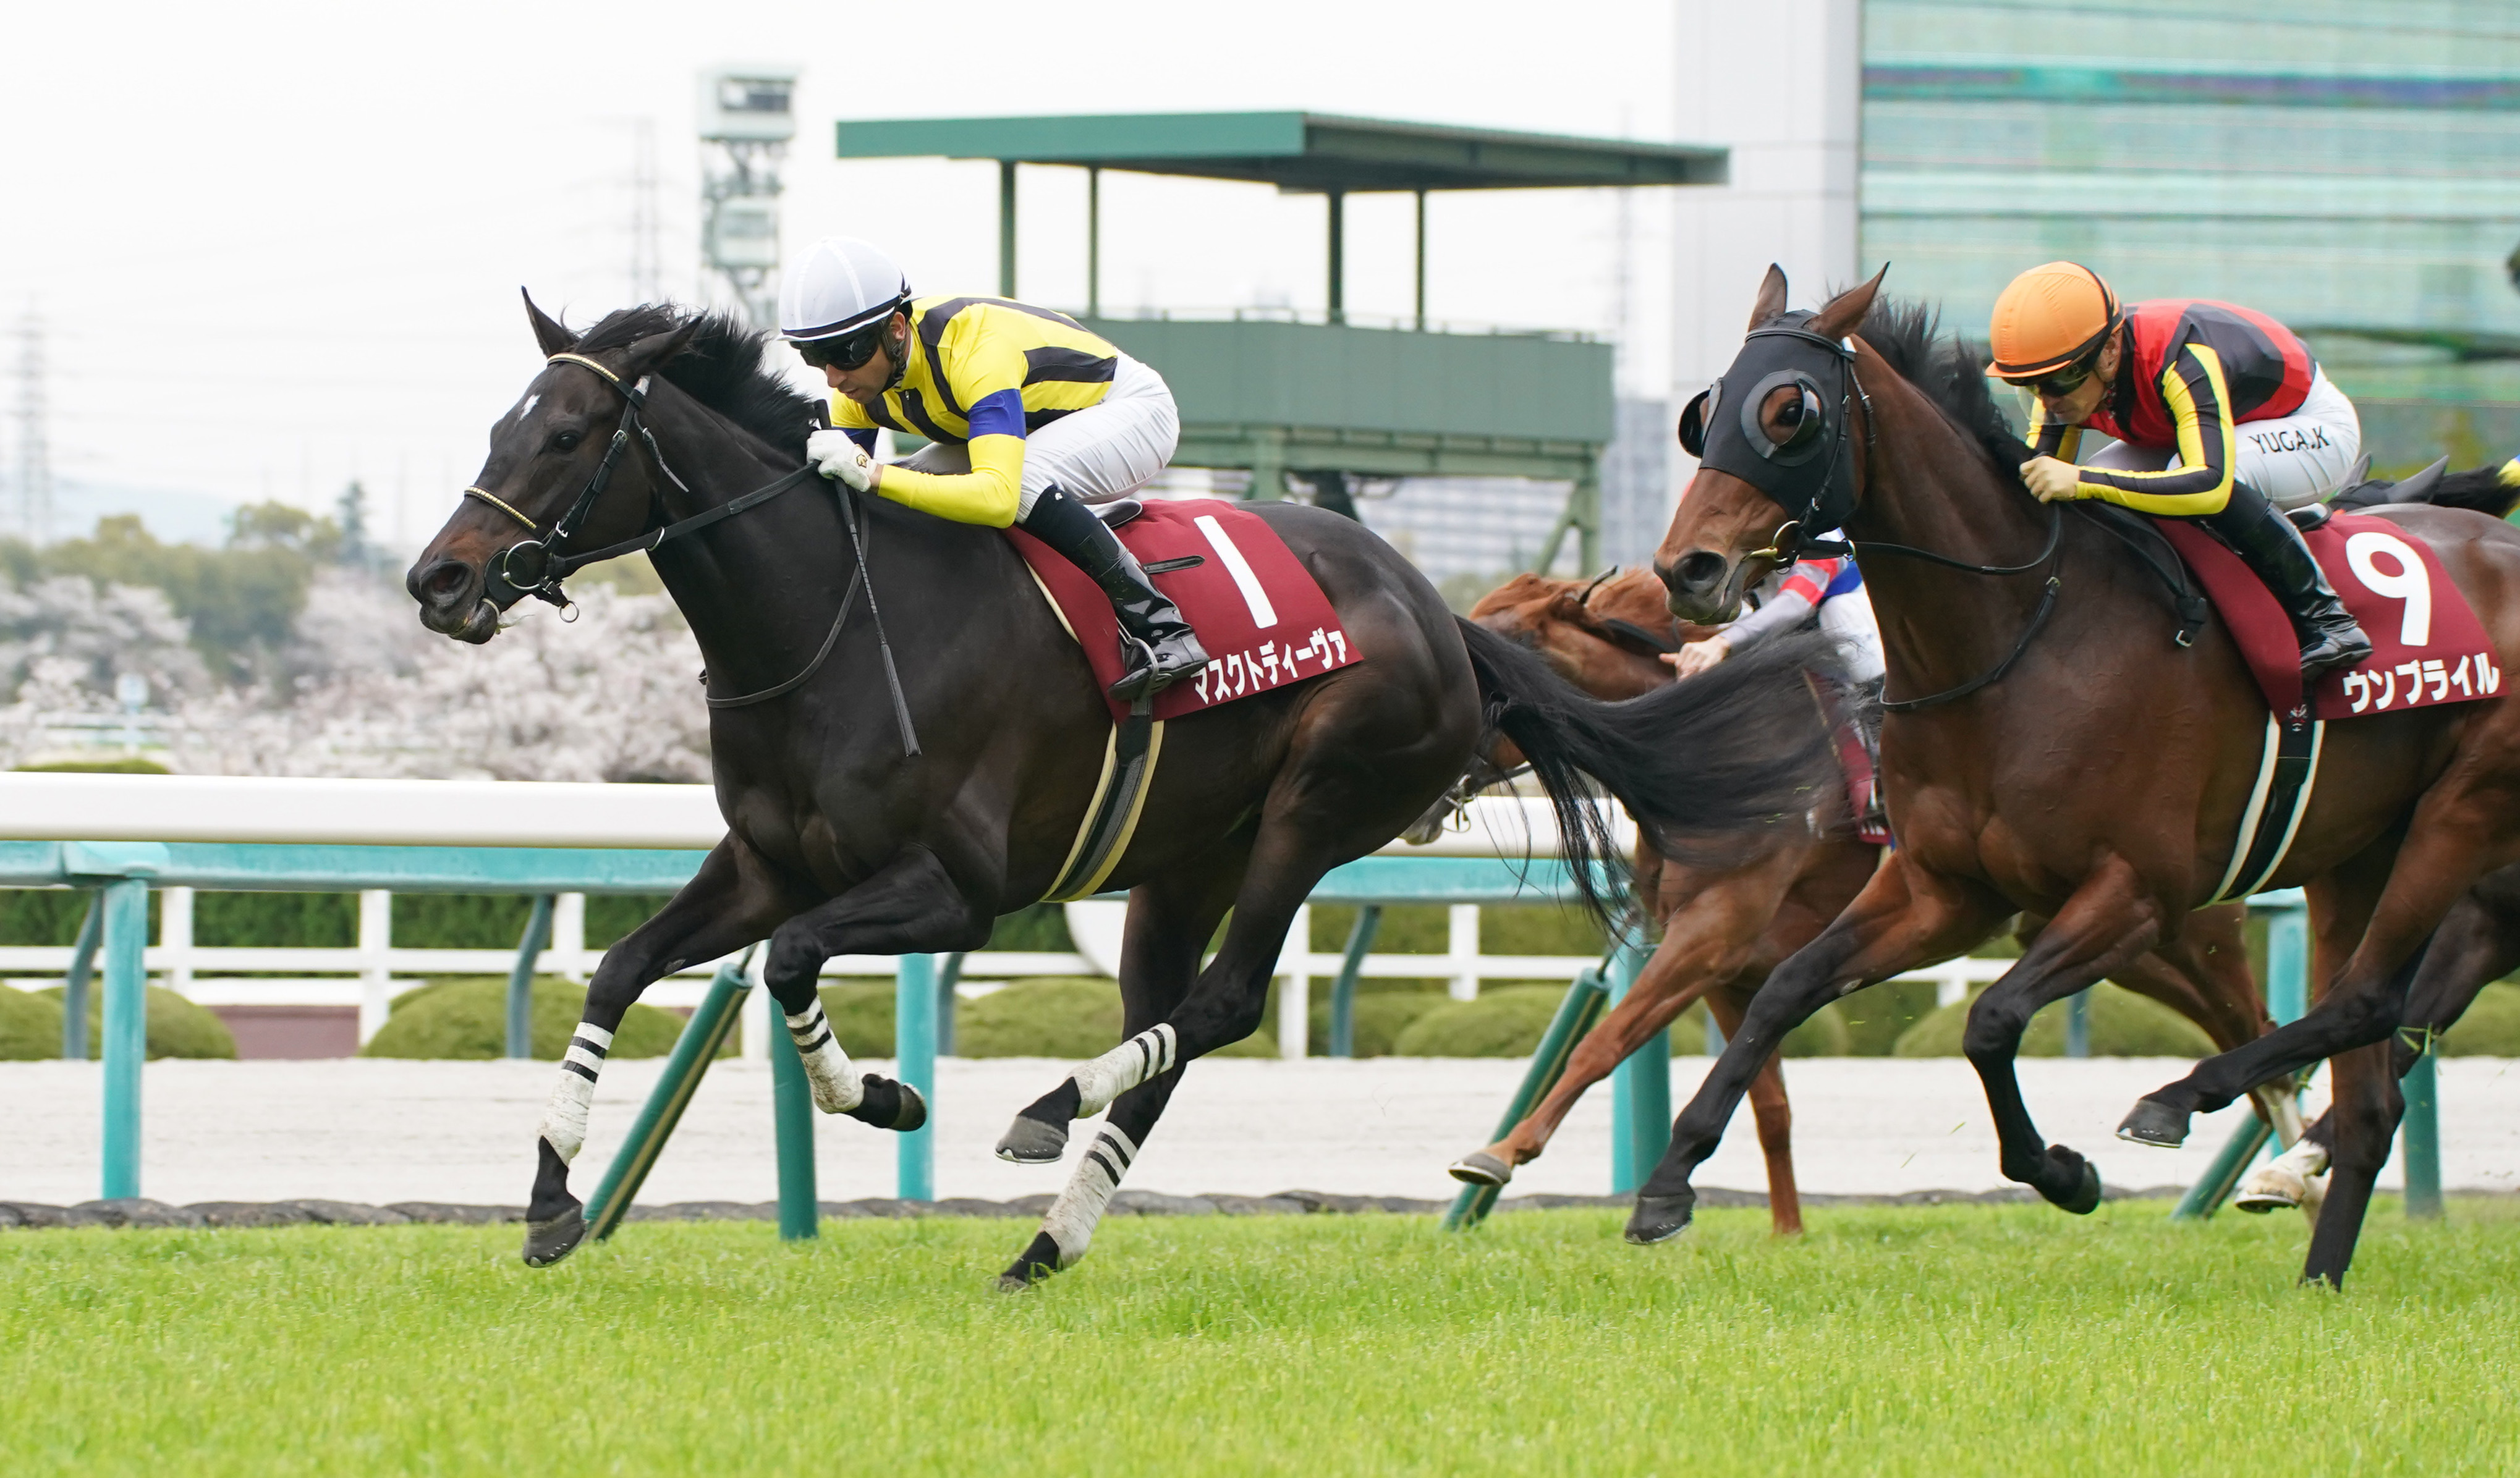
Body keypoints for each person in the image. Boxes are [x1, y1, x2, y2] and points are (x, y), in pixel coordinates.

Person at [783, 235, 1208, 701]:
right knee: (900, 487)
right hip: (1039, 423)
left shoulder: (973, 352)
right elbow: (848, 503)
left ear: (897, 328)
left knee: (1011, 484)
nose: (833, 377)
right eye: (815, 356)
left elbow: (998, 498)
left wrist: (874, 473)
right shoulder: (855, 389)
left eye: (847, 353)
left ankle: (1163, 626)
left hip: (1129, 410)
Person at [1989, 260, 2371, 678]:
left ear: (2110, 351)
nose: (2047, 399)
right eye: (2030, 385)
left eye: (2059, 381)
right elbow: (2035, 480)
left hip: (2311, 426)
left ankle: (2330, 621)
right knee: (2106, 475)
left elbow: (2209, 485)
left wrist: (2081, 482)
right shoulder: (2075, 374)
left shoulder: (2179, 356)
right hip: (2212, 427)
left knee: (2172, 477)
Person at [1666, 543, 1885, 685]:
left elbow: (1796, 603)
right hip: (1809, 643)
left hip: (1866, 618)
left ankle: (1882, 720)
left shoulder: (1821, 534)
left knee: (1838, 612)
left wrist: (1721, 642)